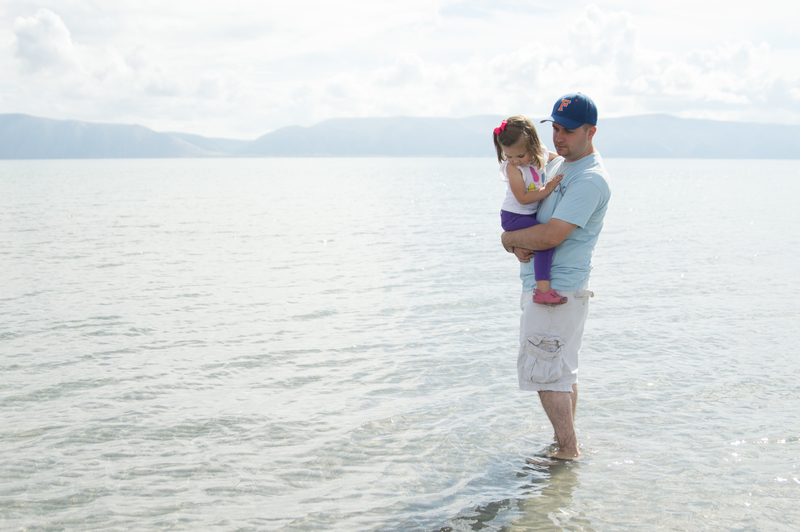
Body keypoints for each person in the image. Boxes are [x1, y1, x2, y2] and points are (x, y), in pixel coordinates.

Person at [501, 93, 611, 461]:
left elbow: (551, 235)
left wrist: (507, 239)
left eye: (568, 131)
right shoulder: (558, 165)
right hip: (550, 288)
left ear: (591, 131)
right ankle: (565, 445)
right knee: (560, 373)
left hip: (558, 290)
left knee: (545, 374)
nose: (559, 138)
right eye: (555, 129)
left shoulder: (590, 180)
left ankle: (567, 451)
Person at [493, 115, 565, 305]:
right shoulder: (512, 169)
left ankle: (540, 284)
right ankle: (542, 290)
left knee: (537, 243)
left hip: (527, 214)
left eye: (520, 155)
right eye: (509, 155)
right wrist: (547, 189)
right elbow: (523, 198)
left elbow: (559, 160)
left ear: (533, 146)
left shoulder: (540, 153)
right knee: (544, 241)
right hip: (514, 216)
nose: (515, 160)